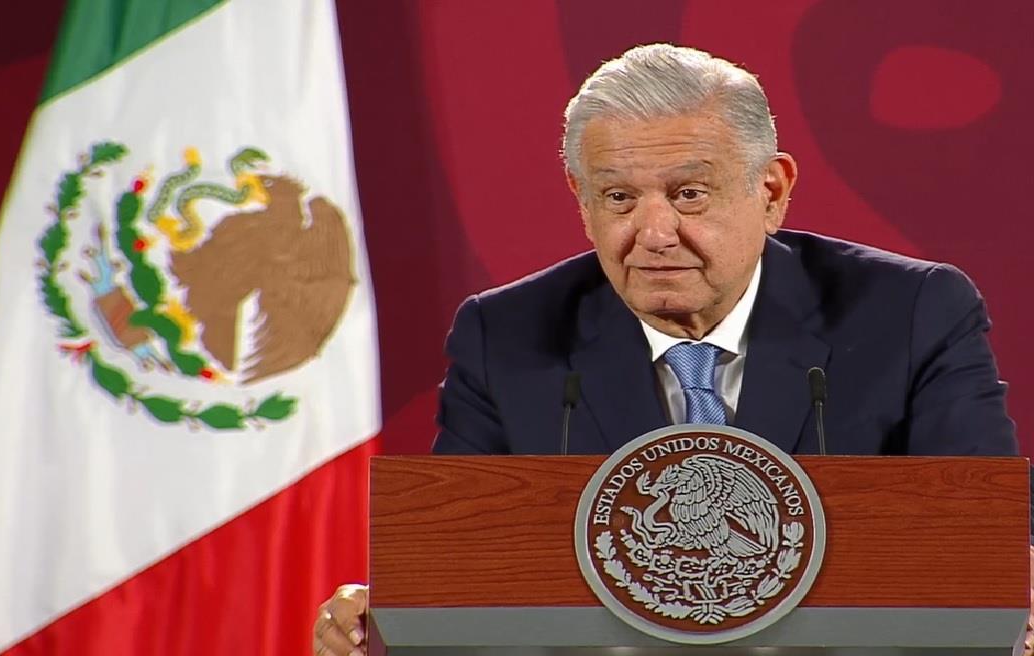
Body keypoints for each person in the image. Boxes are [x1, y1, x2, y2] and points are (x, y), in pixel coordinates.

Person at [313, 43, 1030, 656]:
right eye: (619, 198)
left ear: (771, 191)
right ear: (581, 199)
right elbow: (463, 571)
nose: (654, 234)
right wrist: (386, 618)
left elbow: (982, 547)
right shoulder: (508, 335)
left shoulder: (908, 314)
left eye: (689, 194)